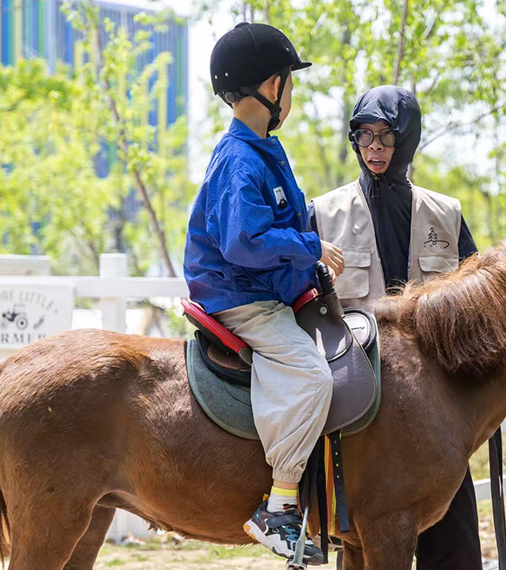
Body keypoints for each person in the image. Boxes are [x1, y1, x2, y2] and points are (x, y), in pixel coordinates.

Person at [183, 23, 345, 565]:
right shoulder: (239, 160)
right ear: (273, 87)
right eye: (289, 83)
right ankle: (279, 506)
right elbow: (244, 242)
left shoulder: (262, 150)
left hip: (264, 289)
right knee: (312, 375)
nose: (291, 94)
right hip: (242, 296)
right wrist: (311, 247)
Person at [308, 85, 483, 569]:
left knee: (455, 547)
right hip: (359, 411)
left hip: (434, 411)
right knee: (363, 543)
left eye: (386, 135)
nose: (374, 147)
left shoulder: (446, 213)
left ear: (407, 138)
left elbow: (476, 307)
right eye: (364, 135)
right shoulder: (323, 213)